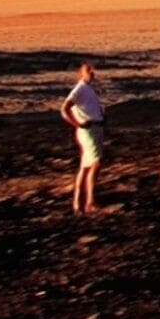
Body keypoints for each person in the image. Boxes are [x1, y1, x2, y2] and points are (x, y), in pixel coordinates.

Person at [62, 62, 110, 214]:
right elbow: (64, 108)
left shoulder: (88, 89)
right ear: (81, 74)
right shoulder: (80, 88)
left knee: (86, 166)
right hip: (88, 129)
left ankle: (77, 203)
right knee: (96, 163)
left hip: (94, 128)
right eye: (88, 71)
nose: (92, 73)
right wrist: (77, 124)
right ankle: (89, 202)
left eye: (92, 71)